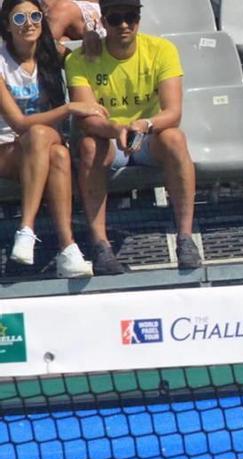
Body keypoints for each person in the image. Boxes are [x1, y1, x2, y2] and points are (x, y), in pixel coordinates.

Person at [65, 0, 202, 274]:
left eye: (131, 16)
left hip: (148, 137)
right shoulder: (80, 59)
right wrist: (116, 129)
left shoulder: (162, 50)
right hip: (109, 139)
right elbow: (88, 119)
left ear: (139, 18)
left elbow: (173, 113)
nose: (125, 24)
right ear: (103, 22)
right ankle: (101, 245)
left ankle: (185, 238)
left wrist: (144, 124)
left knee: (175, 138)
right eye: (116, 19)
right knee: (89, 146)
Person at [0, 0, 101, 278]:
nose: (29, 23)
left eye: (34, 16)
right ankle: (28, 228)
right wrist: (68, 108)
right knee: (39, 135)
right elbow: (19, 124)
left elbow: (96, 58)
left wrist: (92, 42)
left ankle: (66, 248)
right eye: (19, 19)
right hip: (6, 148)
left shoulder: (53, 54)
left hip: (45, 147)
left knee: (58, 154)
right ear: (7, 25)